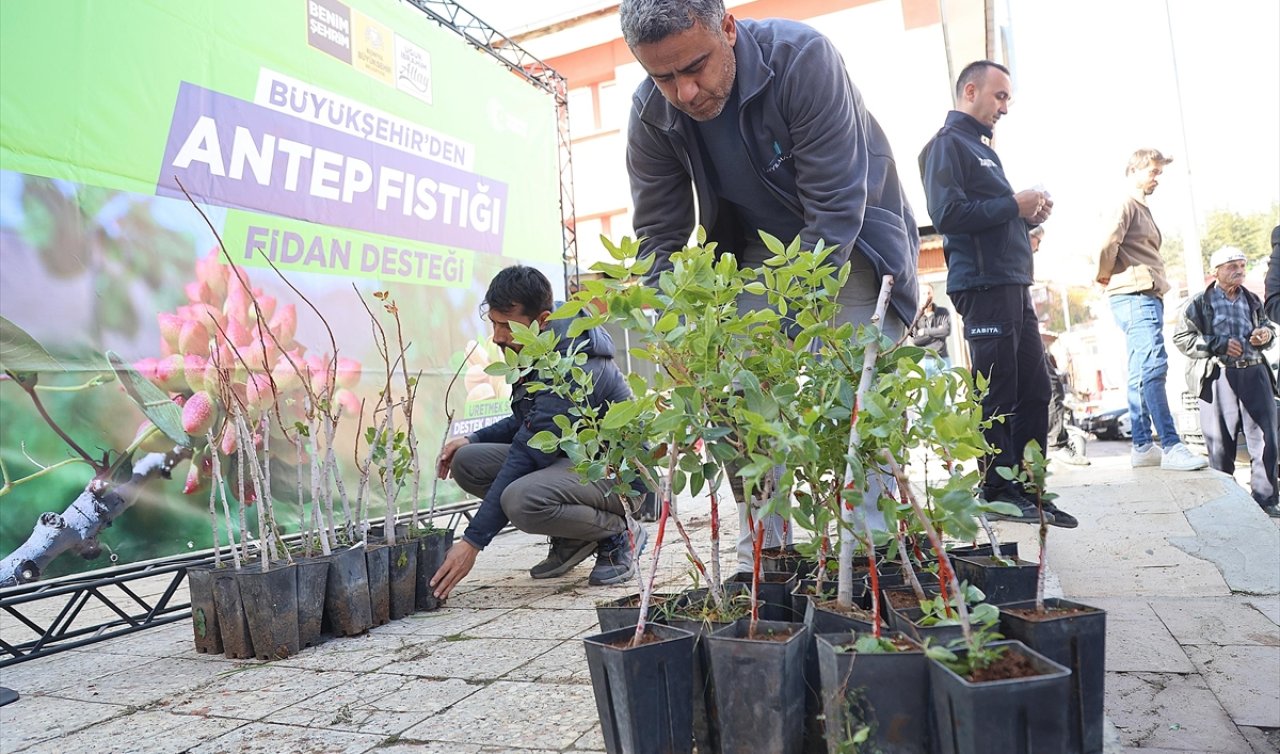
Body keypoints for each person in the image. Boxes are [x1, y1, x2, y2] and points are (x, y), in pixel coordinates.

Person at [620, 0, 920, 568]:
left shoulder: (802, 59)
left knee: (855, 389)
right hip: (756, 251)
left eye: (695, 67)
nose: (684, 92)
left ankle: (875, 550)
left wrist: (786, 330)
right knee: (736, 393)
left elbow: (834, 211)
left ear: (728, 28)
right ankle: (765, 555)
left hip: (851, 237)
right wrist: (674, 334)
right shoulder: (650, 113)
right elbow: (658, 236)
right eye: (663, 76)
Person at [918, 60, 1077, 528]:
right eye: (1000, 96)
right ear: (971, 91)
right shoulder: (946, 146)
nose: (1005, 107)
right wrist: (1014, 204)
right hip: (983, 287)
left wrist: (1025, 219)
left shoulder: (981, 148)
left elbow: (983, 214)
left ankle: (1029, 488)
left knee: (1034, 387)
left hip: (1012, 284)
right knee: (998, 390)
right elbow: (948, 214)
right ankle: (996, 488)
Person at [430, 266, 648, 599]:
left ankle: (619, 533)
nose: (498, 336)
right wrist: (472, 439)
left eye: (506, 326)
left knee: (522, 499)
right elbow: (528, 425)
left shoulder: (574, 362)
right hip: (569, 463)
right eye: (494, 323)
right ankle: (575, 535)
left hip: (615, 475)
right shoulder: (535, 350)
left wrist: (473, 541)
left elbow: (527, 451)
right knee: (467, 461)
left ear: (542, 320)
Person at [1096, 148, 1208, 472]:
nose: (1157, 178)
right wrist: (1105, 275)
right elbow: (1106, 244)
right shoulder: (1126, 203)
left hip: (1139, 294)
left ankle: (1143, 445)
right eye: (1153, 172)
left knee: (1139, 371)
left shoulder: (1138, 206)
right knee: (1154, 367)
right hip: (1135, 294)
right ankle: (1171, 446)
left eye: (1159, 173)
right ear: (1135, 170)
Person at [1173, 247, 1280, 518]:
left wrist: (1265, 335)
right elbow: (1182, 338)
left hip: (1255, 373)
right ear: (1216, 271)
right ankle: (1227, 503)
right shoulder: (1199, 303)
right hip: (1219, 375)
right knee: (1220, 445)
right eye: (1232, 265)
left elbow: (1270, 329)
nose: (1239, 270)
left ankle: (1266, 500)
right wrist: (1217, 344)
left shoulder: (1253, 300)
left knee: (1266, 440)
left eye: (1242, 265)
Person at [911, 284, 952, 374]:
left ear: (933, 295)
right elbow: (915, 340)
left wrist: (925, 331)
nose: (927, 296)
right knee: (924, 387)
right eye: (924, 293)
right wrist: (937, 332)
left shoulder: (943, 312)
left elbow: (946, 331)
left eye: (929, 293)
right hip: (924, 360)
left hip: (942, 358)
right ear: (918, 295)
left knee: (947, 386)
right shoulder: (915, 315)